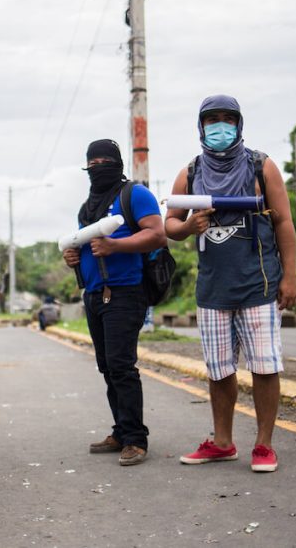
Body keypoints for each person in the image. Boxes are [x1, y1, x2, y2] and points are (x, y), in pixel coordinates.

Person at [164, 95, 296, 474]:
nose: (220, 127)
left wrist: (290, 276)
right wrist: (188, 226)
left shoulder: (261, 165)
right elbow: (169, 224)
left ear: (239, 125)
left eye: (227, 119)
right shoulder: (190, 172)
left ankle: (263, 445)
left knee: (265, 366)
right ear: (201, 127)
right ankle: (222, 443)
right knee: (219, 370)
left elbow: (284, 223)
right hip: (212, 290)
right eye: (212, 120)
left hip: (258, 284)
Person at [62, 139, 165, 466]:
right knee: (107, 367)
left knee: (121, 366)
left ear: (118, 163)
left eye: (105, 161)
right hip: (93, 295)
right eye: (92, 163)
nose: (98, 167)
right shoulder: (87, 206)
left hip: (125, 292)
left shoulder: (135, 195)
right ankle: (121, 430)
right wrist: (72, 257)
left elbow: (157, 234)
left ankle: (136, 439)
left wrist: (115, 247)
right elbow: (85, 246)